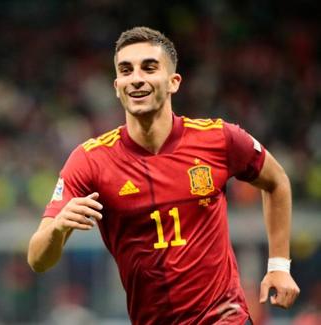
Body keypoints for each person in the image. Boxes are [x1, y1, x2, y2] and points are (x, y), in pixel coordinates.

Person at [27, 26, 300, 324]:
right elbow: (38, 260)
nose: (137, 79)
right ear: (117, 85)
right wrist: (57, 229)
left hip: (224, 317)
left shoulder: (220, 139)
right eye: (126, 70)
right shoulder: (90, 160)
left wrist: (279, 265)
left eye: (149, 67)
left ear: (173, 82)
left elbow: (277, 181)